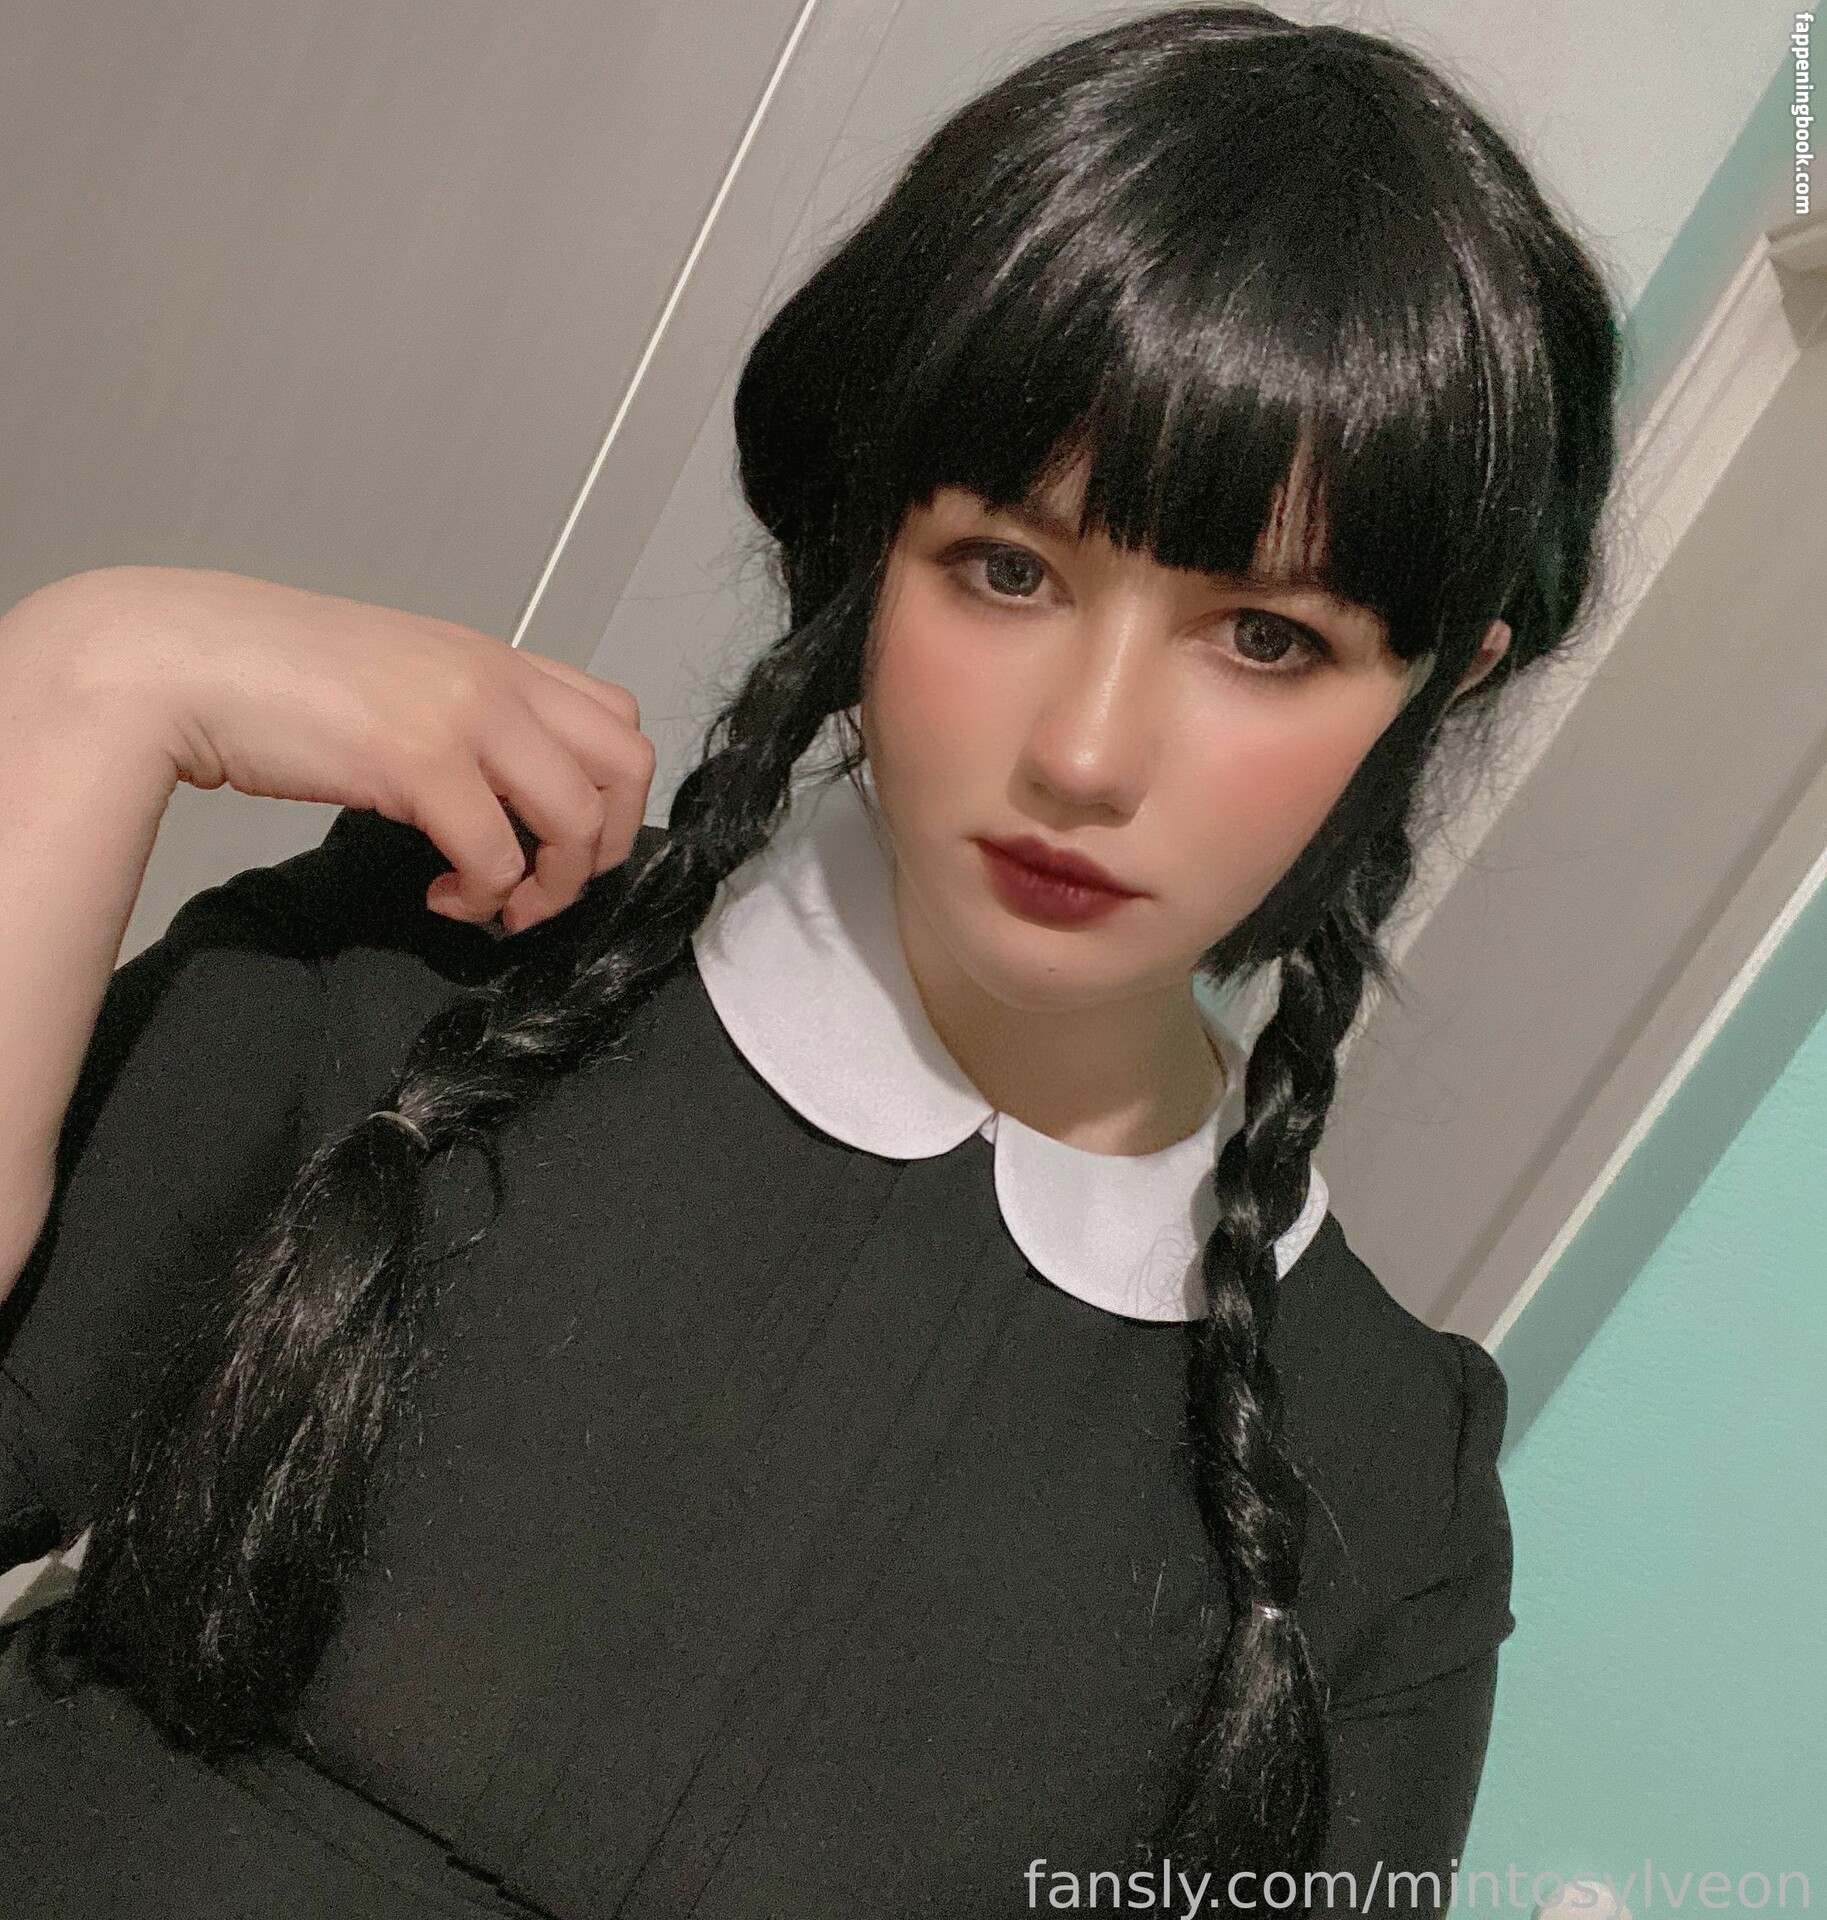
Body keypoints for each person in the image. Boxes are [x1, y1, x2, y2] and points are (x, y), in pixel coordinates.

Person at [0, 6, 1618, 1915]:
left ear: (1437, 686)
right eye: (1008, 568)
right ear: (873, 532)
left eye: (1265, 637)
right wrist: (84, 684)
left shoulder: (1388, 1491)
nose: (1086, 754)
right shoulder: (423, 967)